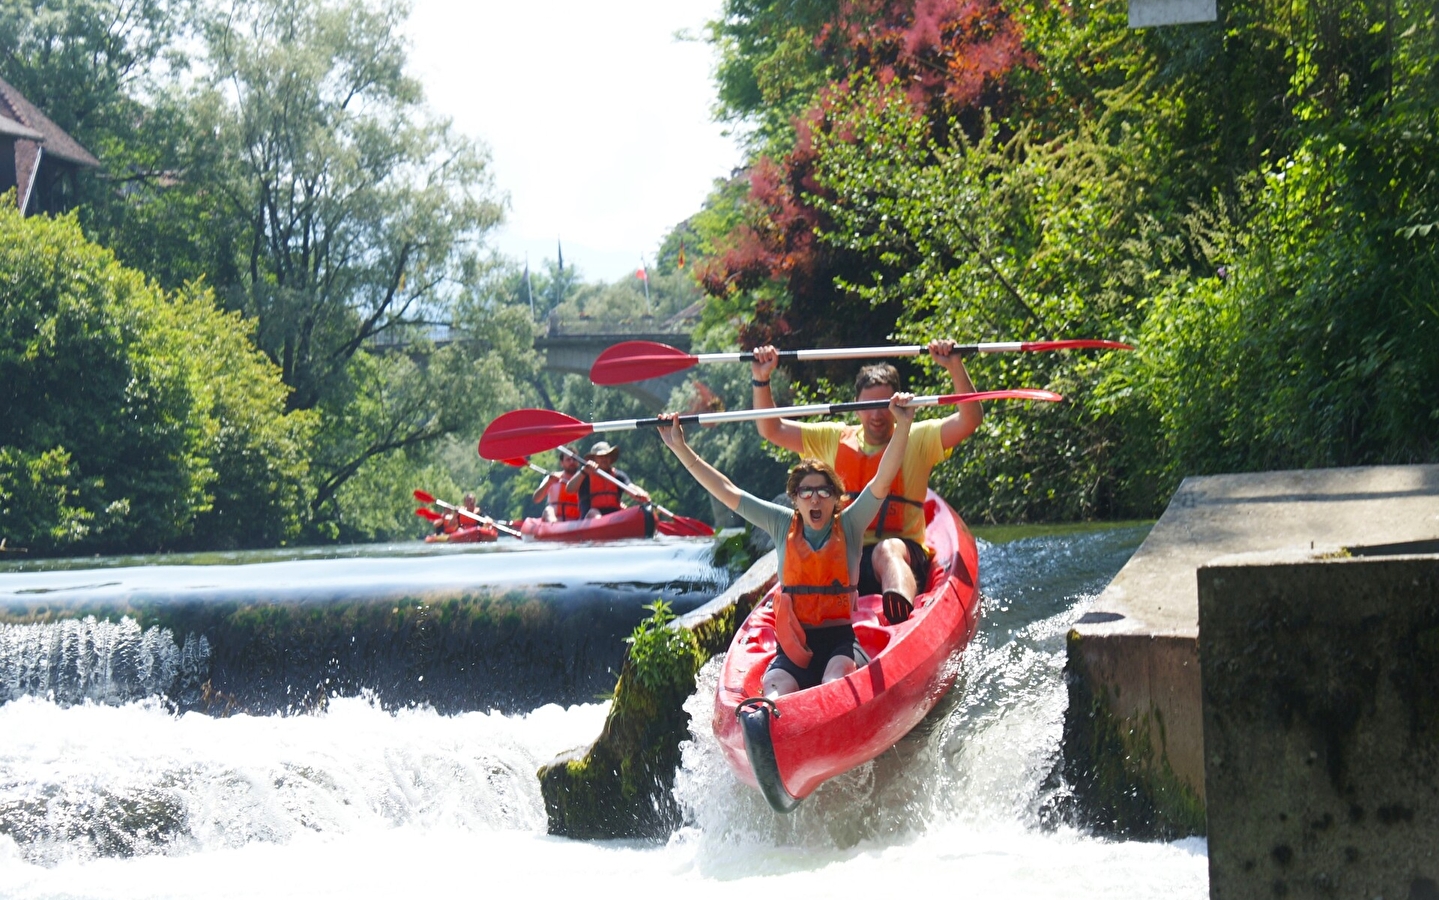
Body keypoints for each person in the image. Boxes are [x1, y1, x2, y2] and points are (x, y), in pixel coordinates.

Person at [658, 393, 917, 698]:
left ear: (836, 498)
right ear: (795, 499)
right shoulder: (782, 523)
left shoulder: (850, 524)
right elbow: (728, 491)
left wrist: (903, 425)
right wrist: (679, 447)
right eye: (806, 492)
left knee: (833, 679)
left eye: (824, 491)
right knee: (773, 690)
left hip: (839, 644)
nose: (816, 498)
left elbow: (882, 481)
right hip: (793, 647)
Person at [748, 341, 983, 624]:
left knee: (887, 550)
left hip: (901, 552)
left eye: (885, 405)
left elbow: (971, 419)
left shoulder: (919, 436)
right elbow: (771, 429)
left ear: (898, 404)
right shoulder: (832, 438)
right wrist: (761, 379)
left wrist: (954, 365)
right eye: (869, 406)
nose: (877, 415)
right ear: (856, 406)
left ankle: (902, 620)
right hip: (842, 554)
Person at [565, 441, 649, 519]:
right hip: (590, 517)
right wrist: (583, 471)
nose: (604, 459)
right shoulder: (584, 475)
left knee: (630, 512)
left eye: (606, 456)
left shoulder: (618, 475)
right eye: (600, 457)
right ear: (594, 459)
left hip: (613, 517)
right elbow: (569, 489)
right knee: (594, 513)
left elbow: (631, 487)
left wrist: (642, 494)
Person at [532, 449, 583, 522]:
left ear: (578, 462)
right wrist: (549, 482)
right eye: (568, 460)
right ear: (562, 463)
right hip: (556, 518)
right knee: (548, 510)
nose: (572, 462)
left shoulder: (583, 479)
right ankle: (554, 525)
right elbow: (536, 499)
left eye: (574, 459)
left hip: (577, 520)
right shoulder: (552, 478)